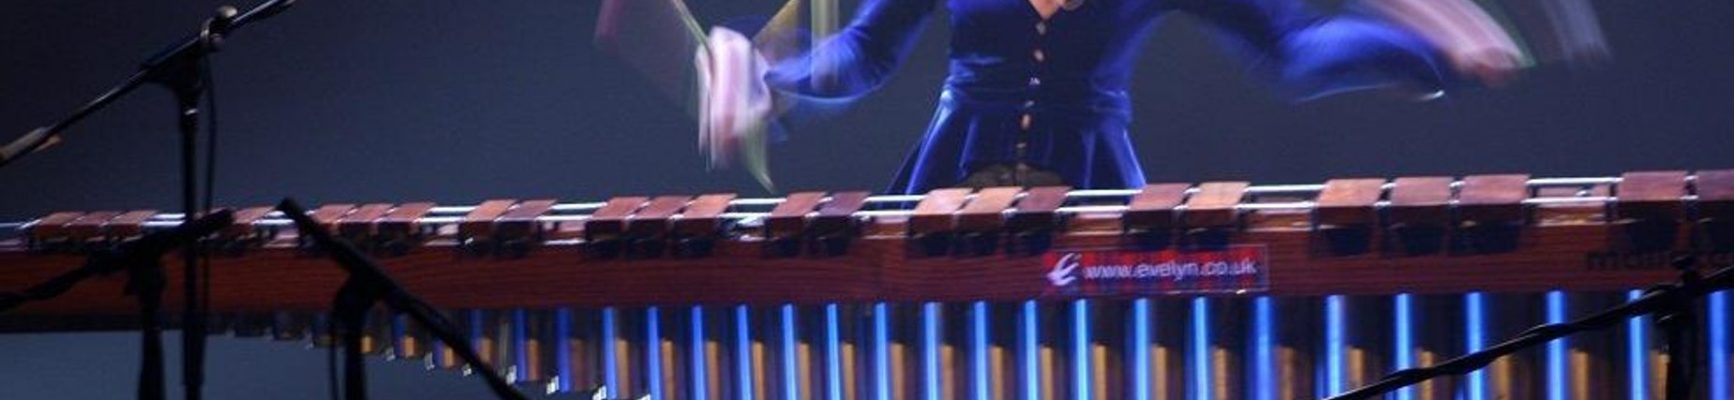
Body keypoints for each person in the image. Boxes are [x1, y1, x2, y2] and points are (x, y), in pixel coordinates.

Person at [597, 0, 1533, 194]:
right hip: (945, 190)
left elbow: (1292, 49)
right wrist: (773, 79)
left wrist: (1428, 51)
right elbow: (864, 53)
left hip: (1092, 192)